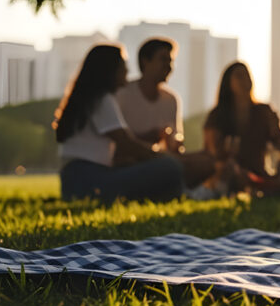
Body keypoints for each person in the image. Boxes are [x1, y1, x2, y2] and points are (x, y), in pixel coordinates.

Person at [54, 43, 185, 203]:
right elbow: (125, 142)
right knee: (170, 167)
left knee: (161, 168)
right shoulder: (102, 100)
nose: (127, 71)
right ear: (111, 70)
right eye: (123, 66)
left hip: (76, 179)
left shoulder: (90, 99)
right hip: (88, 179)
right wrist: (159, 156)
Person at [201, 62, 280, 195]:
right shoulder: (217, 115)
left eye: (247, 75)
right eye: (239, 76)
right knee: (227, 170)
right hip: (226, 173)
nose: (246, 80)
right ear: (228, 83)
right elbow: (213, 154)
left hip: (258, 173)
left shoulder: (264, 111)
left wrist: (275, 129)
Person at [115, 37, 184, 152]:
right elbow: (117, 141)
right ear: (145, 61)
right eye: (163, 59)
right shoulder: (122, 93)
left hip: (159, 161)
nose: (168, 66)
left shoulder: (171, 99)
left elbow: (176, 143)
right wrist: (152, 137)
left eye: (170, 61)